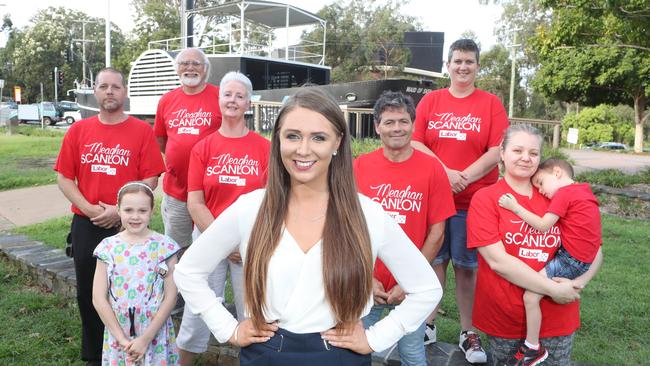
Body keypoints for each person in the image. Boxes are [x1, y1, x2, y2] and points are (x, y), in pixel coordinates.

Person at [174, 87, 442, 365]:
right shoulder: (251, 208)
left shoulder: (368, 214)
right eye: (292, 136)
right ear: (277, 139)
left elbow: (426, 289)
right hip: (266, 355)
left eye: (318, 137)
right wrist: (228, 328)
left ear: (337, 141)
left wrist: (377, 337)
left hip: (340, 356)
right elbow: (188, 272)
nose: (303, 150)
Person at [54, 67, 165, 365]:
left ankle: (132, 350)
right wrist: (90, 209)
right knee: (91, 293)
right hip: (87, 224)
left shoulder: (141, 131)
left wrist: (120, 210)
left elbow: (152, 177)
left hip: (129, 225)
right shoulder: (79, 130)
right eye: (104, 86)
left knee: (132, 293)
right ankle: (94, 355)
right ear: (96, 91)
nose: (110, 91)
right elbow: (64, 178)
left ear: (124, 92)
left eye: (116, 86)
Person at [466, 124, 603, 365]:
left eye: (533, 153)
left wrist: (578, 283)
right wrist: (552, 289)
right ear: (502, 152)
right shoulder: (487, 199)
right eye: (517, 150)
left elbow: (594, 248)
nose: (526, 158)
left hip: (558, 315)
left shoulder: (556, 195)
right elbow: (498, 262)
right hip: (506, 318)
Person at [411, 38, 509, 362]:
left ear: (477, 66)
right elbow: (417, 142)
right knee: (435, 262)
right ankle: (428, 322)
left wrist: (463, 175)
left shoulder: (490, 103)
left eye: (469, 61)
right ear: (448, 66)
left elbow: (497, 150)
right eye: (457, 61)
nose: (463, 67)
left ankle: (469, 332)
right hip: (436, 198)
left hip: (474, 201)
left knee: (468, 268)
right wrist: (446, 174)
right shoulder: (431, 101)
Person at [353, 91, 455, 365]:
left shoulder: (433, 169)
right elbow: (349, 227)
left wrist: (411, 280)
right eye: (388, 122)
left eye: (403, 121)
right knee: (357, 349)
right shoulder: (359, 167)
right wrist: (365, 277)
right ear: (377, 126)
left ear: (413, 124)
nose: (396, 128)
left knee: (412, 353)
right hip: (367, 282)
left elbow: (437, 232)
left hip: (411, 287)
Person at [176, 71, 271, 365]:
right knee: (197, 308)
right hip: (208, 237)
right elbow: (195, 202)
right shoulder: (203, 147)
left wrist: (243, 244)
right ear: (219, 100)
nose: (233, 100)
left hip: (251, 242)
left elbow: (271, 201)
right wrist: (223, 242)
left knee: (253, 311)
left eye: (239, 96)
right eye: (227, 94)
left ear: (248, 104)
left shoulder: (265, 148)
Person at [497, 157, 602, 365]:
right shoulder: (584, 192)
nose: (541, 190)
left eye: (541, 183)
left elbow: (544, 226)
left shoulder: (565, 193)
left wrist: (514, 207)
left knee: (530, 296)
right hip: (583, 260)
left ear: (557, 173)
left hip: (569, 260)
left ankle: (532, 347)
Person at [92, 181, 181, 365]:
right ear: (118, 210)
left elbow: (171, 297)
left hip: (154, 331)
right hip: (119, 331)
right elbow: (98, 298)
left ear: (152, 210)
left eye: (142, 210)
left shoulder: (166, 247)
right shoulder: (108, 248)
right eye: (128, 210)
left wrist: (145, 339)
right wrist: (122, 340)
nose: (135, 217)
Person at [154, 47, 222, 249]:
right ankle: (175, 281)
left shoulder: (220, 96)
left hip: (211, 190)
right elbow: (160, 139)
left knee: (210, 246)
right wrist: (179, 157)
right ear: (177, 68)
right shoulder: (167, 100)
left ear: (205, 69)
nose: (190, 68)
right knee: (176, 247)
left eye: (196, 63)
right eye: (184, 63)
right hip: (177, 190)